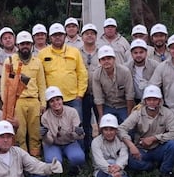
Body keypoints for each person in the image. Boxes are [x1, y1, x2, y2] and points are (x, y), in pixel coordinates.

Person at [92, 114, 174, 177]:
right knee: (110, 162)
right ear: (102, 130)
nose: (109, 132)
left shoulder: (121, 141)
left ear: (116, 130)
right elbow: (99, 161)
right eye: (106, 129)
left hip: (119, 172)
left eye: (111, 129)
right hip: (102, 174)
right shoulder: (96, 142)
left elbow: (123, 157)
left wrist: (117, 168)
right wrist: (111, 169)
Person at [118, 85, 174, 177]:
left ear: (160, 100)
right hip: (141, 149)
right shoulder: (137, 113)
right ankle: (152, 167)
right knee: (131, 161)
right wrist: (131, 145)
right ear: (145, 101)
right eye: (149, 99)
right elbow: (121, 129)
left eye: (155, 99)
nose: (152, 102)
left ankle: (165, 173)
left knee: (173, 145)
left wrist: (154, 138)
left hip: (158, 147)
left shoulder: (167, 113)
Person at [1, 31, 46, 157]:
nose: (25, 46)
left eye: (27, 43)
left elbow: (42, 84)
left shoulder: (37, 62)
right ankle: (23, 161)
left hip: (34, 101)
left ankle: (35, 159)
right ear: (18, 45)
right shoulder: (9, 61)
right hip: (17, 101)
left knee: (35, 134)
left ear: (31, 45)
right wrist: (7, 105)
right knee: (20, 134)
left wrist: (43, 103)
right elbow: (4, 85)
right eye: (22, 44)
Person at [39, 22, 88, 120]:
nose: (57, 37)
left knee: (76, 129)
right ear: (50, 37)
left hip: (73, 98)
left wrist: (80, 94)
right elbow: (40, 78)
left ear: (65, 36)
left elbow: (82, 74)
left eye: (60, 35)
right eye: (54, 35)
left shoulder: (74, 52)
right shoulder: (42, 54)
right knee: (53, 128)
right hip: (51, 99)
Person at [40, 86, 86, 173]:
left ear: (62, 100)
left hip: (70, 142)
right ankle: (56, 173)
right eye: (52, 101)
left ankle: (74, 169)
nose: (55, 103)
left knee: (78, 158)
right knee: (52, 161)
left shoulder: (72, 112)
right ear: (48, 103)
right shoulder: (45, 117)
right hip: (53, 144)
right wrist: (45, 135)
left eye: (58, 99)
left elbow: (79, 136)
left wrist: (79, 133)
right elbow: (49, 141)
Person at [92, 45, 135, 123]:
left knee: (129, 128)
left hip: (124, 105)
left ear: (114, 59)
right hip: (108, 105)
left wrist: (129, 115)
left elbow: (130, 95)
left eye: (109, 58)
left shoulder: (125, 72)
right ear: (99, 61)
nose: (106, 61)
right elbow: (98, 98)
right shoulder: (96, 74)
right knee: (105, 127)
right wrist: (101, 117)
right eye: (103, 59)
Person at [78, 23, 100, 154]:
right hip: (83, 94)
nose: (90, 36)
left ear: (96, 36)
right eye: (87, 33)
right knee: (85, 124)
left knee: (102, 122)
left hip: (100, 94)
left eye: (92, 33)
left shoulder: (103, 51)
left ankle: (102, 151)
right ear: (82, 36)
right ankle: (87, 151)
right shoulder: (76, 53)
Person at [127, 39, 159, 104]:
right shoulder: (126, 68)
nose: (138, 55)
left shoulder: (155, 66)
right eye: (135, 53)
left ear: (146, 52)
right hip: (133, 101)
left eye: (141, 52)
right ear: (131, 54)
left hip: (152, 100)